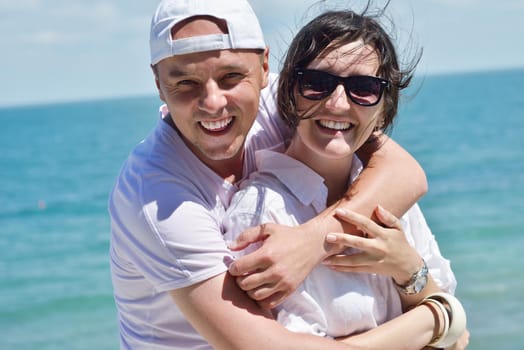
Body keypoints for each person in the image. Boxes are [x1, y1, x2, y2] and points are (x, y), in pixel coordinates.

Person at [109, 1, 450, 349]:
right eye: (185, 82)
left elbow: (404, 172)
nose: (213, 103)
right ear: (158, 82)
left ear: (263, 68)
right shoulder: (156, 197)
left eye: (230, 76)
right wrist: (440, 318)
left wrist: (314, 241)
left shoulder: (291, 96)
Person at [223, 8, 467, 346]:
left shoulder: (387, 197)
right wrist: (439, 317)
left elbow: (458, 339)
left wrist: (408, 268)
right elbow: (451, 320)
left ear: (384, 108)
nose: (338, 104)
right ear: (290, 92)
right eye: (317, 84)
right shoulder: (260, 213)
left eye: (363, 88)